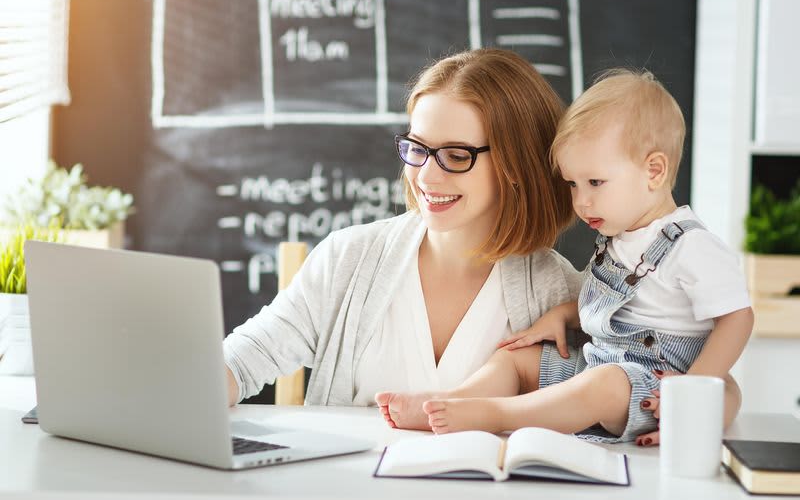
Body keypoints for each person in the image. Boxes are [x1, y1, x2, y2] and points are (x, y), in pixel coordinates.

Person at [376, 69, 752, 445]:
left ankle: (494, 414)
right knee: (517, 361)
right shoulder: (618, 238)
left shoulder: (691, 246)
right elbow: (616, 305)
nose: (581, 201)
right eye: (573, 184)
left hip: (650, 386)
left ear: (653, 171)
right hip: (599, 361)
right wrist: (563, 315)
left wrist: (692, 394)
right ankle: (451, 401)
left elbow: (737, 318)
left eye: (595, 183)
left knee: (601, 384)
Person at [222, 48, 581, 408]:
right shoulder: (347, 259)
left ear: (517, 165)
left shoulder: (559, 293)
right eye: (418, 147)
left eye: (456, 156)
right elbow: (242, 360)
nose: (426, 176)